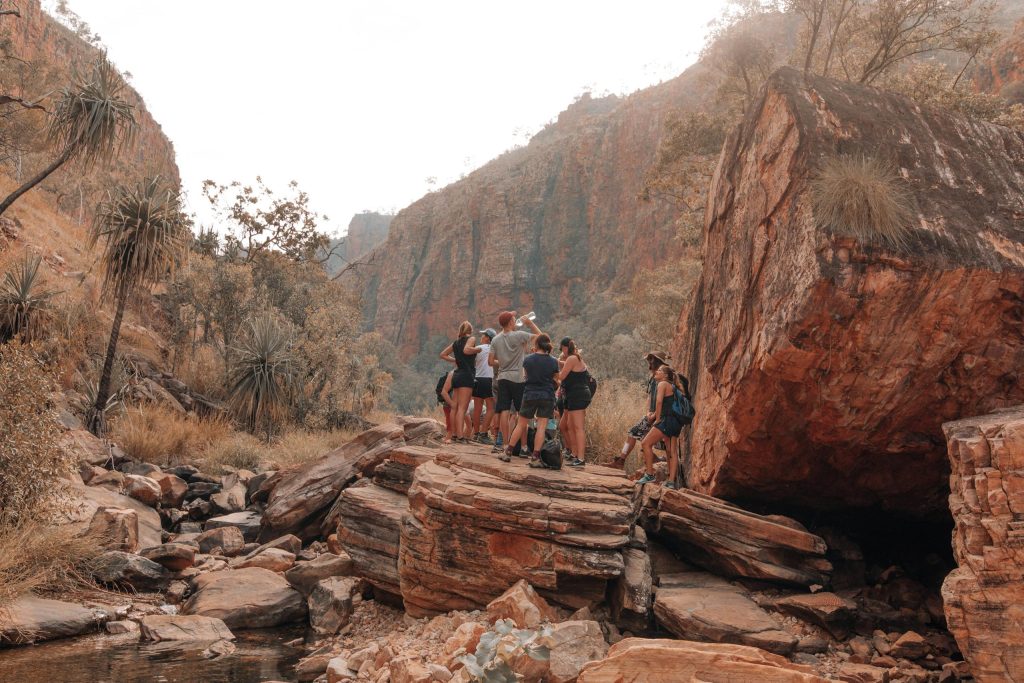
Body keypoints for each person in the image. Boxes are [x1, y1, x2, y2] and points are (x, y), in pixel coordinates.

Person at [490, 311, 542, 456]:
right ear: (511, 322)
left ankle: (506, 445)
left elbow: (490, 362)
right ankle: (524, 447)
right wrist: (530, 323)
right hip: (518, 378)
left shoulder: (495, 340)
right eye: (514, 318)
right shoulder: (519, 335)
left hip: (502, 377)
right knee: (522, 413)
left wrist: (504, 362)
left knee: (505, 411)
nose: (515, 320)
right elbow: (541, 337)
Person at [504, 334, 559, 466]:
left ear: (536, 345)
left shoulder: (528, 360)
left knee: (521, 424)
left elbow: (525, 377)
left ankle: (508, 452)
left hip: (530, 394)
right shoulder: (553, 361)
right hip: (547, 395)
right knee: (541, 427)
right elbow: (556, 379)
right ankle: (535, 458)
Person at [614, 351, 670, 469]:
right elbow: (650, 396)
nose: (649, 362)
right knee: (633, 433)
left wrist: (655, 415)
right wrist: (648, 412)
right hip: (652, 414)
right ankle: (621, 461)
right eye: (649, 360)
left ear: (657, 361)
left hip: (661, 415)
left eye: (651, 360)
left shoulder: (664, 377)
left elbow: (665, 399)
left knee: (649, 440)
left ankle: (655, 462)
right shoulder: (652, 378)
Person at [637, 364, 686, 487]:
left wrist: (657, 419)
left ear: (665, 375)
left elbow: (659, 402)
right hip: (676, 422)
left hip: (666, 420)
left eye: (659, 370)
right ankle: (671, 482)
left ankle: (649, 475)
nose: (656, 372)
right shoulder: (673, 386)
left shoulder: (662, 384)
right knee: (671, 451)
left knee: (646, 443)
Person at [439, 321, 479, 442]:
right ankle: (461, 436)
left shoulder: (455, 343)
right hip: (467, 376)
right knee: (462, 408)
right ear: (470, 330)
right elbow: (467, 350)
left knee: (455, 407)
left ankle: (455, 434)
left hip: (457, 375)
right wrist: (478, 350)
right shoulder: (471, 339)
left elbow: (442, 354)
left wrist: (455, 360)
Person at [557, 337, 590, 468]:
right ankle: (575, 454)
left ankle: (581, 458)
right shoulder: (575, 358)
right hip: (573, 395)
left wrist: (549, 371)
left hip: (578, 395)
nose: (561, 351)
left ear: (565, 348)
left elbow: (561, 376)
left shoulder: (572, 358)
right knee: (570, 426)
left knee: (578, 427)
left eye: (561, 349)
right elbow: (562, 365)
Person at [471, 328, 497, 443]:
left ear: (488, 337)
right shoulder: (493, 349)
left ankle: (476, 434)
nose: (481, 337)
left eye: (484, 335)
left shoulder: (478, 349)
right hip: (488, 379)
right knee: (491, 408)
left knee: (477, 408)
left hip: (477, 379)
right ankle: (483, 434)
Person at [435, 370, 455, 444]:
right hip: (450, 403)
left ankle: (449, 438)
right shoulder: (455, 375)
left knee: (449, 421)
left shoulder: (450, 376)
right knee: (451, 423)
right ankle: (448, 439)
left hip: (446, 404)